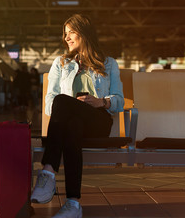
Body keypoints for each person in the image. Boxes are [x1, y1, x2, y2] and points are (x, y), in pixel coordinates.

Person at [30, 14, 124, 218]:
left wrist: (101, 102)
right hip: (71, 121)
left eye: (71, 32)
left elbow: (119, 100)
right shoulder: (60, 63)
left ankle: (48, 172)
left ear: (84, 32)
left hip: (98, 120)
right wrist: (73, 105)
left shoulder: (108, 63)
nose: (66, 38)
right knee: (71, 121)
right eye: (65, 34)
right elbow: (50, 104)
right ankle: (72, 204)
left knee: (64, 103)